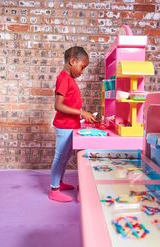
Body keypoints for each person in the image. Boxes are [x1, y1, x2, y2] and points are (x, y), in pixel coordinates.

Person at [49, 46, 96, 202]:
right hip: (64, 126)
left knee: (65, 156)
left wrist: (81, 115)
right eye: (82, 67)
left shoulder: (69, 80)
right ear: (72, 61)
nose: (82, 72)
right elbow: (58, 106)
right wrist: (82, 113)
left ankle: (59, 183)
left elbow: (71, 103)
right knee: (60, 157)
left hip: (70, 126)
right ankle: (54, 190)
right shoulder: (63, 78)